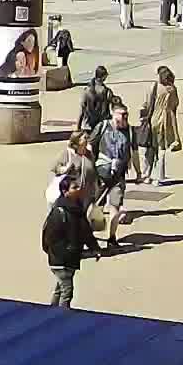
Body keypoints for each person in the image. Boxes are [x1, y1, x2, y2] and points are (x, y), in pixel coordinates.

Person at [42, 174, 102, 308]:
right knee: (67, 292)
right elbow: (48, 236)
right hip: (62, 260)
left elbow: (86, 232)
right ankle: (61, 318)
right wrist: (62, 252)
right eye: (75, 187)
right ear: (65, 191)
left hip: (69, 258)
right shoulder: (59, 212)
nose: (79, 189)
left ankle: (51, 311)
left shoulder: (76, 209)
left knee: (60, 288)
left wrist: (95, 248)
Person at [90, 103, 133, 250]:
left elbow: (132, 151)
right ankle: (90, 237)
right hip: (101, 173)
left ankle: (112, 237)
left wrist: (139, 172)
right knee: (97, 207)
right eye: (122, 114)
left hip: (118, 176)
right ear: (113, 114)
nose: (125, 117)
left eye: (126, 114)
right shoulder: (102, 127)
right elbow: (90, 146)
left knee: (115, 206)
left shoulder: (128, 130)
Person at [147, 66, 181, 186]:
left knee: (152, 148)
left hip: (153, 120)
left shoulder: (155, 86)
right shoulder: (171, 89)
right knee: (162, 149)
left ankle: (148, 174)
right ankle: (158, 177)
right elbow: (174, 107)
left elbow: (147, 103)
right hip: (164, 121)